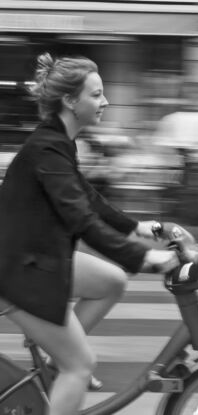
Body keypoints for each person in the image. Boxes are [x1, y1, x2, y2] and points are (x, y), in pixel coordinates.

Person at [0, 53, 180, 415]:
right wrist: (142, 257)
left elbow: (87, 197)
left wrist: (135, 227)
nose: (105, 102)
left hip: (38, 256)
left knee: (112, 281)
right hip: (17, 271)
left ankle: (54, 366)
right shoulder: (47, 149)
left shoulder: (59, 143)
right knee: (81, 365)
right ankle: (66, 367)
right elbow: (80, 218)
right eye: (96, 95)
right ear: (70, 101)